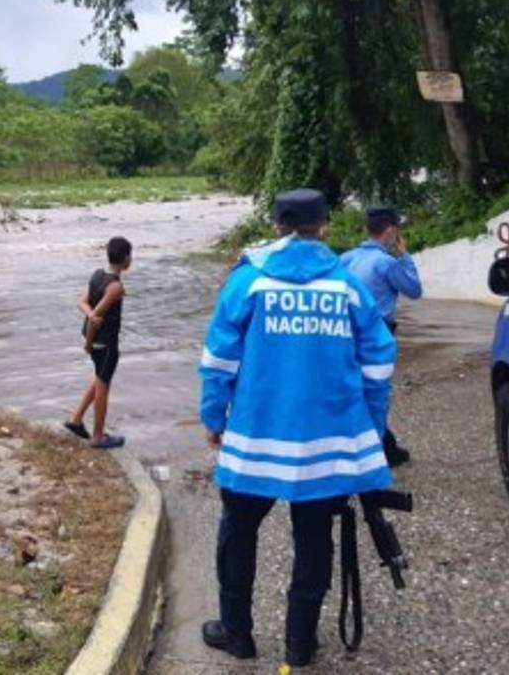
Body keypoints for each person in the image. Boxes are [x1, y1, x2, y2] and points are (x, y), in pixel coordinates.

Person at [198, 189, 396, 667]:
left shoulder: (247, 282)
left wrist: (213, 417)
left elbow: (218, 359)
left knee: (238, 530)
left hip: (254, 437)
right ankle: (299, 644)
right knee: (314, 536)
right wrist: (370, 430)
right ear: (324, 228)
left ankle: (237, 633)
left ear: (276, 226)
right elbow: (378, 365)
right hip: (327, 444)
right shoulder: (348, 287)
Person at [339, 205, 422, 467]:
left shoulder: (346, 258)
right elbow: (414, 290)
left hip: (342, 332)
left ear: (367, 229)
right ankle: (379, 449)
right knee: (376, 391)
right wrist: (405, 256)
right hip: (376, 334)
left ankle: (374, 445)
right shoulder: (386, 262)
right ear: (390, 231)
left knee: (351, 387)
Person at [63, 236, 132, 449]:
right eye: (130, 255)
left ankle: (76, 420)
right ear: (126, 259)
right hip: (105, 344)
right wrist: (90, 340)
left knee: (99, 379)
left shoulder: (97, 275)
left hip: (93, 340)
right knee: (103, 388)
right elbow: (97, 317)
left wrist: (90, 317)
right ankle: (98, 436)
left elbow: (82, 302)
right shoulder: (115, 287)